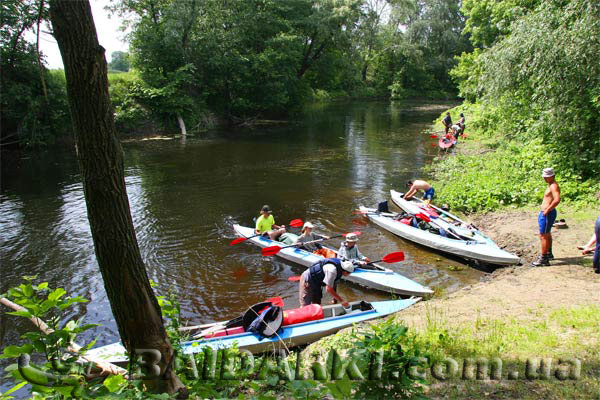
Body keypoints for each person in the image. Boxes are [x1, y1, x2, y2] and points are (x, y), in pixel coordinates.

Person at [532, 168, 561, 266]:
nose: (544, 178)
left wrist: (547, 210)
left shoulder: (554, 186)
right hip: (546, 213)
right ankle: (548, 253)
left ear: (552, 176)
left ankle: (544, 258)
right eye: (544, 176)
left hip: (547, 214)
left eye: (547, 177)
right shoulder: (550, 184)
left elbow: (557, 199)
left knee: (543, 235)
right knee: (547, 233)